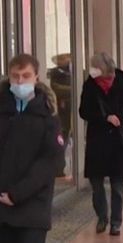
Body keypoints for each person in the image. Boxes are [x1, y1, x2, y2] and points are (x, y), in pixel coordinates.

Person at [0, 54, 64, 243]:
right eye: (15, 76)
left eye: (26, 75)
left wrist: (17, 194)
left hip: (33, 209)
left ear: (36, 77)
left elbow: (51, 161)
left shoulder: (48, 115)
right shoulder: (3, 110)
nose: (20, 81)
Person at [79, 53, 123, 236]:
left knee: (117, 186)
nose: (92, 70)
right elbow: (83, 111)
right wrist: (104, 117)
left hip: (117, 141)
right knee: (96, 185)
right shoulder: (90, 84)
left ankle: (116, 222)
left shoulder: (122, 82)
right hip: (97, 139)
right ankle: (102, 217)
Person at [49, 53, 72, 177]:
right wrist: (72, 89)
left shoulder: (76, 71)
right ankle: (58, 167)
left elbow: (82, 85)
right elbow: (56, 88)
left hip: (74, 109)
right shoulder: (55, 73)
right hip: (62, 109)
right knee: (61, 137)